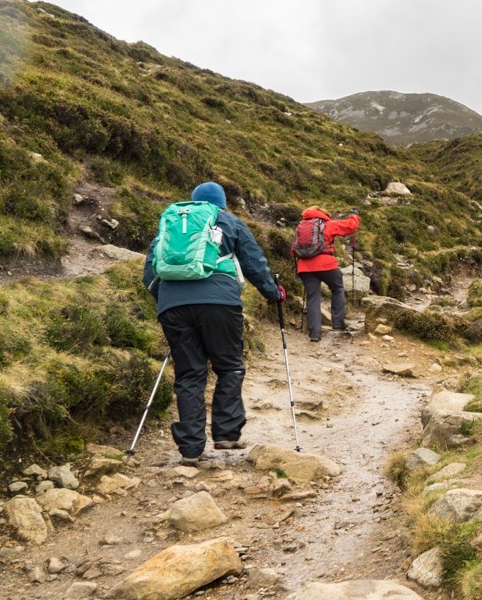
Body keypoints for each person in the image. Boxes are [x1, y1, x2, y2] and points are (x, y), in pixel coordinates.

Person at [143, 181, 283, 466]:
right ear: (221, 202)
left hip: (173, 307)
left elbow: (150, 271)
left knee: (189, 375)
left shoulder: (172, 222)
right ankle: (226, 434)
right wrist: (273, 293)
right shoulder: (229, 221)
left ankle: (191, 450)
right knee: (229, 365)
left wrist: (168, 300)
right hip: (220, 302)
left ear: (192, 201)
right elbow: (255, 263)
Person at [293, 206, 362, 342]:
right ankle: (337, 323)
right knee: (337, 288)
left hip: (305, 267)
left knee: (313, 297)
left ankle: (314, 334)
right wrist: (354, 215)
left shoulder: (301, 227)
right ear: (323, 214)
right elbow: (350, 226)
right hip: (326, 264)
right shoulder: (327, 224)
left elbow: (293, 249)